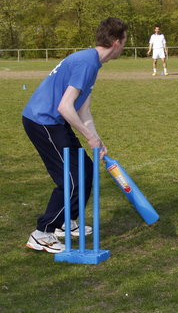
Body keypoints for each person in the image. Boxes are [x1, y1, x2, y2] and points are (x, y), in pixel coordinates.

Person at [22, 17, 128, 253]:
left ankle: (65, 223)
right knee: (71, 180)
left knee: (86, 170)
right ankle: (43, 232)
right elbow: (65, 107)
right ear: (116, 41)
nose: (125, 44)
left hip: (55, 121)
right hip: (43, 121)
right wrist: (88, 137)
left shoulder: (92, 62)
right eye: (125, 40)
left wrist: (96, 139)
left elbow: (83, 109)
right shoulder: (86, 63)